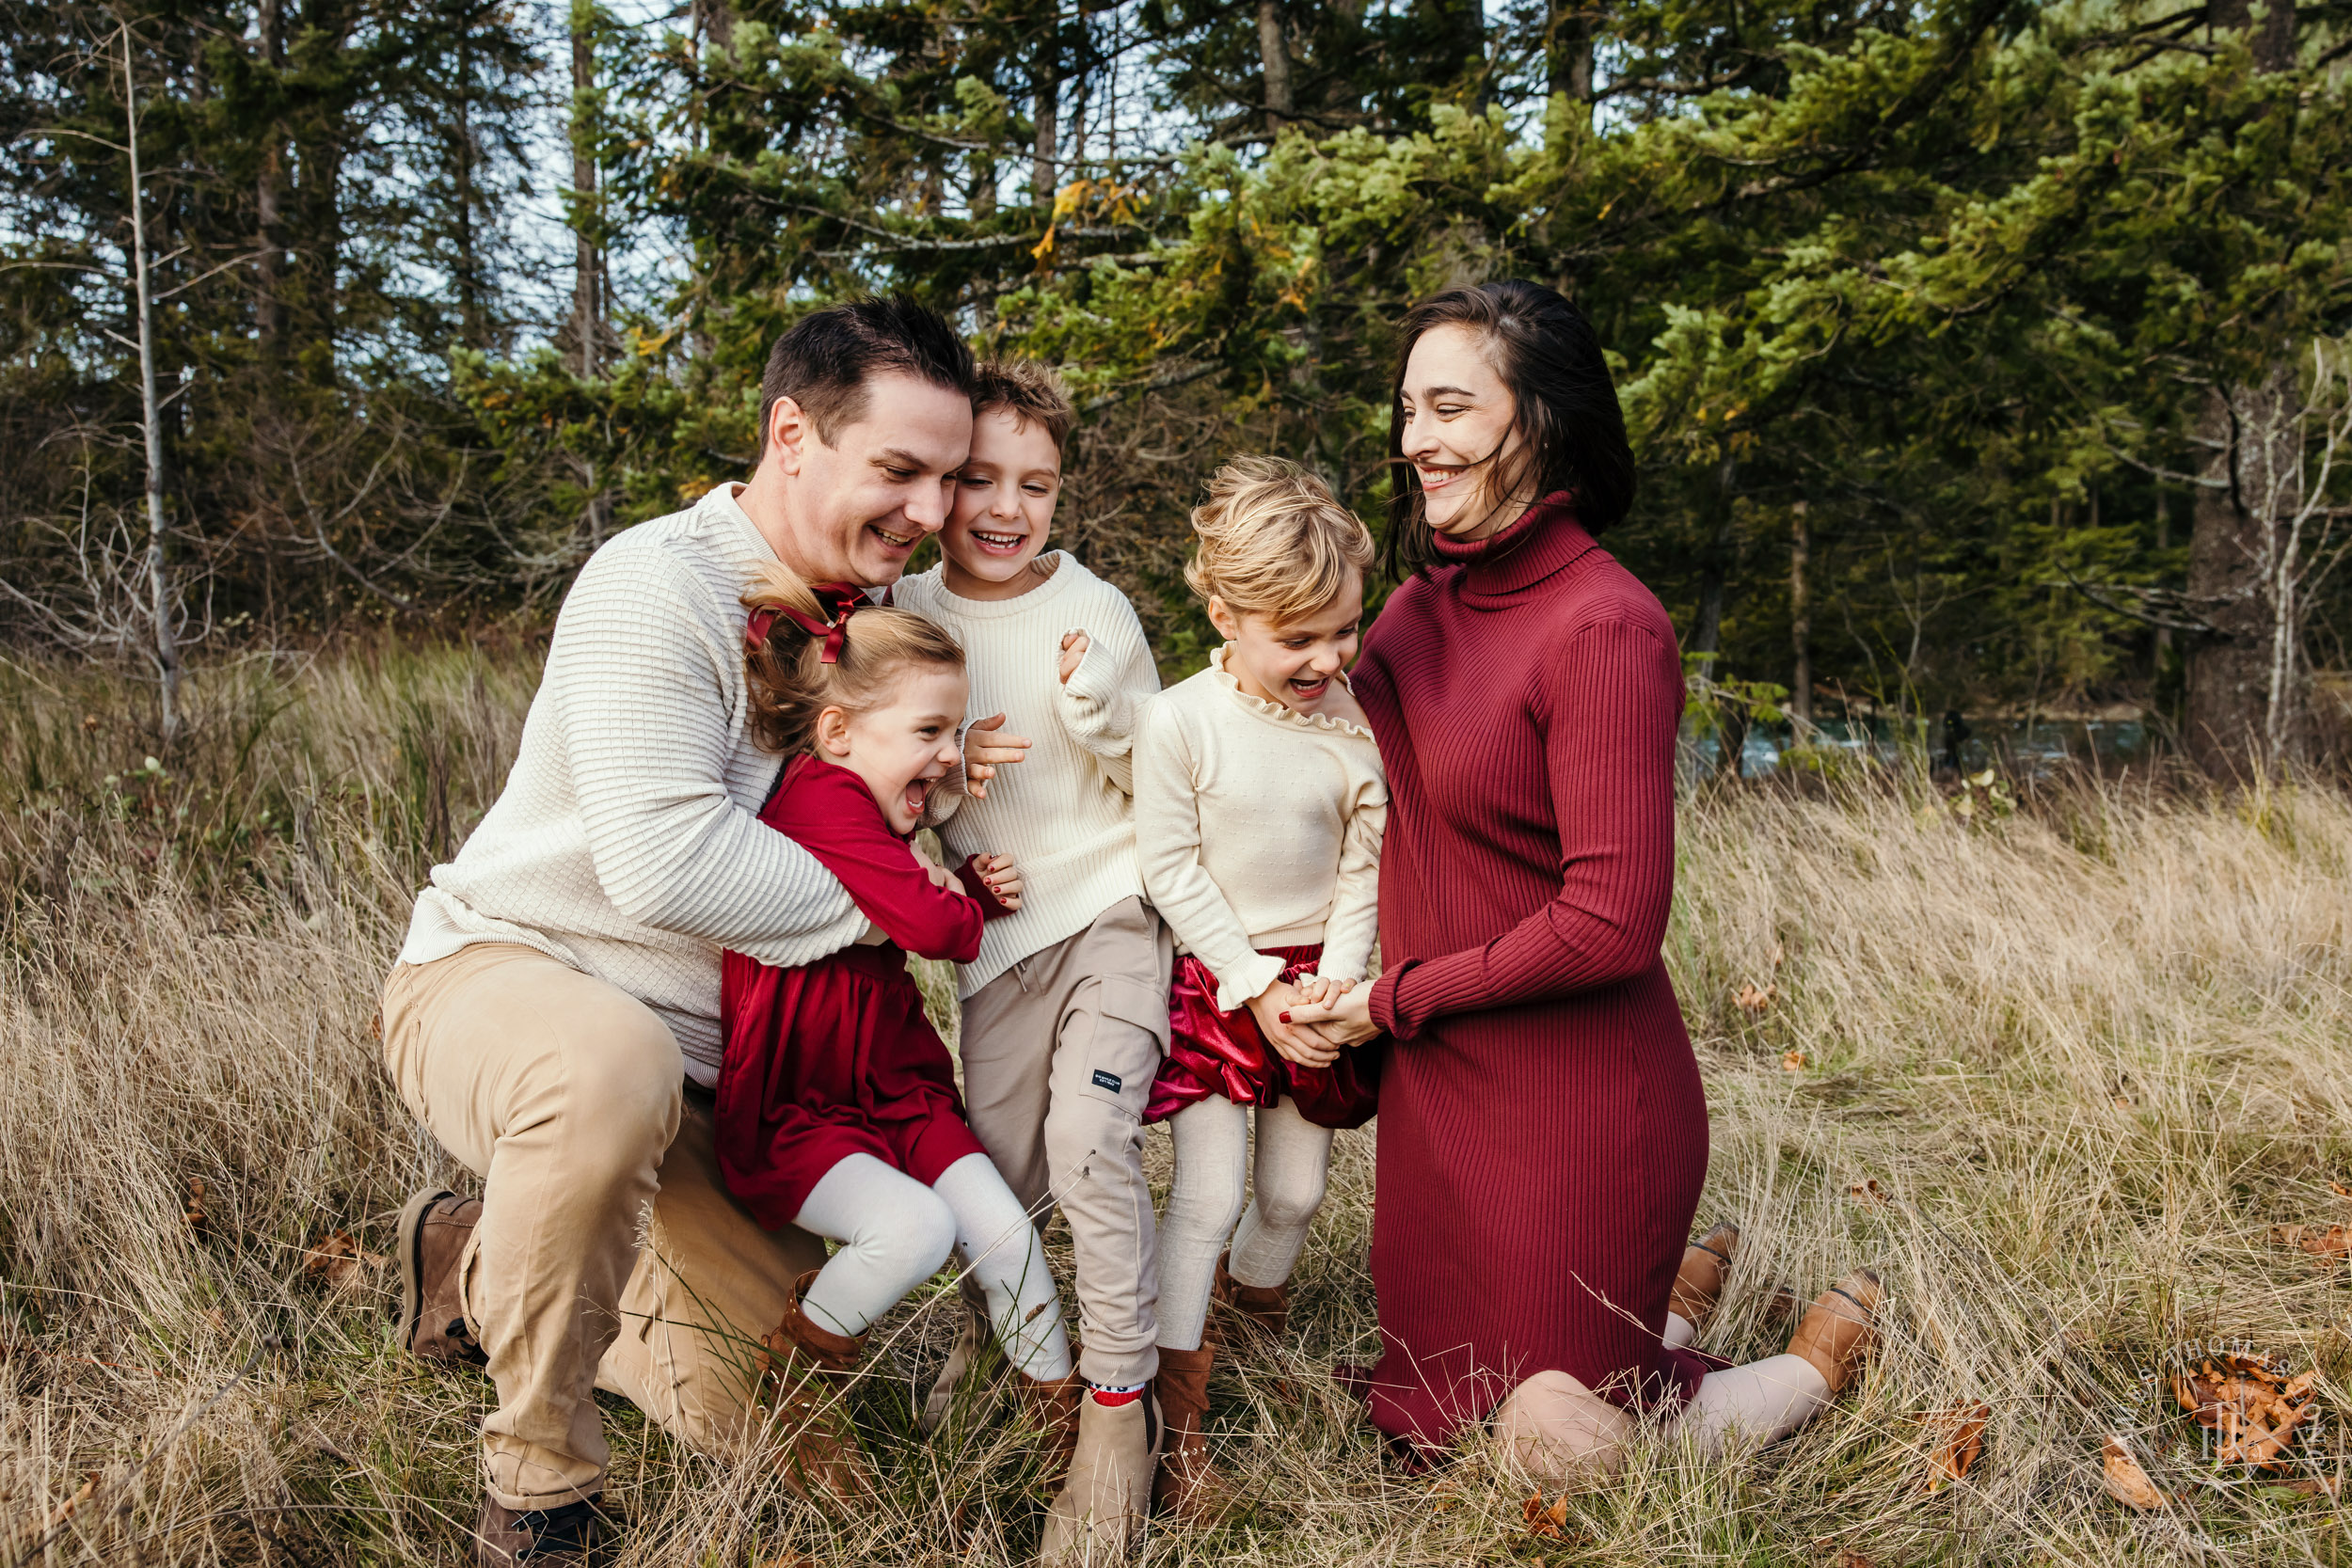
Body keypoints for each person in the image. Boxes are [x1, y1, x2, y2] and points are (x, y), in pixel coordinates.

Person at [377, 296, 975, 1566]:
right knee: (608, 1070)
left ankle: (478, 1259)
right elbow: (664, 859)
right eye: (900, 471)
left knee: (785, 1436)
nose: (929, 512)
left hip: (732, 1068)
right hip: (520, 971)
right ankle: (539, 1489)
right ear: (793, 433)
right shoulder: (658, 581)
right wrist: (901, 910)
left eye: (949, 478)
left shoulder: (891, 618)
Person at [1285, 279, 1881, 1481]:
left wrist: (1391, 999)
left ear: (1541, 420)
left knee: (1549, 1446)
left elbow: (1611, 921)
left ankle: (1801, 1373)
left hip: (1575, 1107)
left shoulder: (1605, 625)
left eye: (1451, 406)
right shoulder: (1406, 608)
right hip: (1445, 1100)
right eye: (1407, 408)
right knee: (1433, 1432)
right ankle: (1663, 1321)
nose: (1415, 440)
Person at [890, 361, 1170, 1562]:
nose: (1006, 508)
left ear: (1062, 495)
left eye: (1037, 485)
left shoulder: (1093, 611)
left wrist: (1103, 716)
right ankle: (998, 1331)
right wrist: (949, 797)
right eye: (982, 481)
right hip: (996, 941)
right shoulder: (904, 612)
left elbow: (1164, 786)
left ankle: (1118, 1403)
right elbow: (878, 799)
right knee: (995, 1169)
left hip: (1111, 911)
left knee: (1089, 1143)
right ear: (944, 485)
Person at [714, 573, 1072, 1501]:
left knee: (1007, 1238)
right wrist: (959, 898)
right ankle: (797, 1379)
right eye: (928, 733)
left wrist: (967, 887)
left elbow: (931, 908)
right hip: (803, 1101)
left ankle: (1069, 1440)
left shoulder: (871, 808)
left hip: (895, 1085)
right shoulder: (821, 798)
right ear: (838, 732)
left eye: (954, 734)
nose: (951, 758)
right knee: (914, 1228)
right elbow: (934, 927)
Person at [1131, 457, 1387, 1518]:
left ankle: (1247, 1323)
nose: (1327, 658)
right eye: (1299, 637)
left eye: (1345, 630)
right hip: (1218, 982)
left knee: (1292, 1195)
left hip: (1318, 989)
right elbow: (1170, 864)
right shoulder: (1180, 721)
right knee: (1207, 1196)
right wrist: (1252, 986)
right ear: (1226, 615)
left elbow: (1364, 861)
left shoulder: (1354, 725)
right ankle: (1175, 1422)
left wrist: (1331, 988)